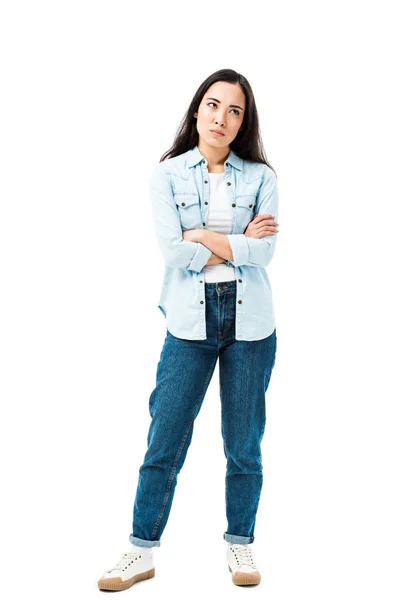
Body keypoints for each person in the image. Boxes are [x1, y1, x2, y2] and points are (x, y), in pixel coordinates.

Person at [97, 68, 280, 591]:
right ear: (197, 109)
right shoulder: (168, 175)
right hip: (189, 320)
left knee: (244, 444)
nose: (221, 117)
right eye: (213, 105)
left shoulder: (262, 178)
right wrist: (231, 240)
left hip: (250, 320)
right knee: (165, 435)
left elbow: (265, 251)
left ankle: (240, 544)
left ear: (244, 122)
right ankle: (140, 550)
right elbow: (173, 252)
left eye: (235, 110)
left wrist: (201, 235)